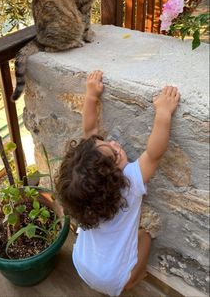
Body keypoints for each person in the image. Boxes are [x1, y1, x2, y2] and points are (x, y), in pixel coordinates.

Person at [55, 70, 180, 296]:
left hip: (81, 263)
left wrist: (92, 96)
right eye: (115, 155)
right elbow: (154, 153)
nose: (114, 144)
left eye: (105, 143)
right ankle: (133, 280)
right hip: (116, 280)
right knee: (145, 237)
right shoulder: (131, 181)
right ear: (114, 178)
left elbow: (89, 130)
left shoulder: (85, 190)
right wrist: (163, 112)